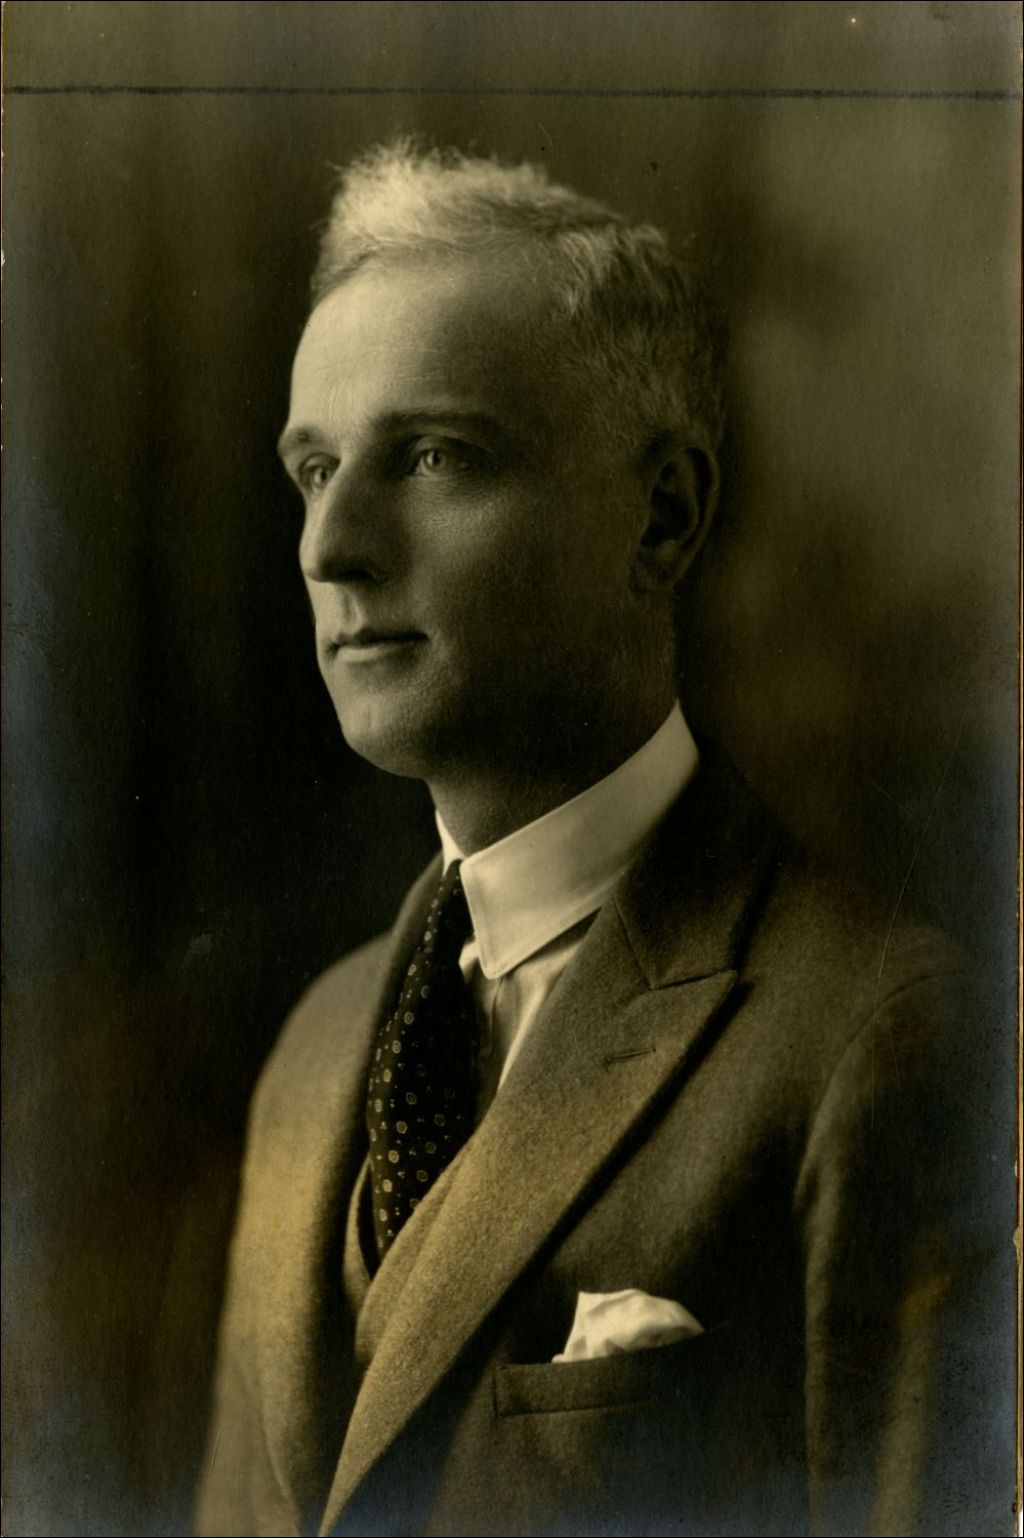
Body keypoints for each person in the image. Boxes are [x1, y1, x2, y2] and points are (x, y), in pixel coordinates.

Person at [195, 142, 1002, 1537]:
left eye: (435, 456)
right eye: (313, 468)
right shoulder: (317, 1051)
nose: (331, 545)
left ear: (663, 518)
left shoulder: (879, 1034)